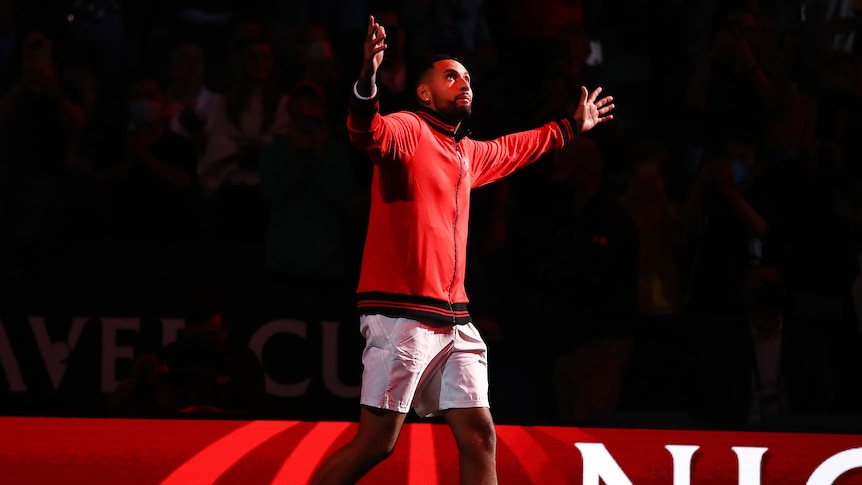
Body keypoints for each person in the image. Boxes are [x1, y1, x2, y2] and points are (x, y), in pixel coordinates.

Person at [309, 15, 615, 485]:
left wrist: (570, 127)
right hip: (400, 314)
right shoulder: (409, 128)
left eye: (468, 76)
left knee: (478, 434)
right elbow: (364, 132)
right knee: (377, 443)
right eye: (450, 75)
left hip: (454, 318)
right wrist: (368, 78)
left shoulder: (466, 153)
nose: (464, 82)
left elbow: (516, 147)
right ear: (426, 93)